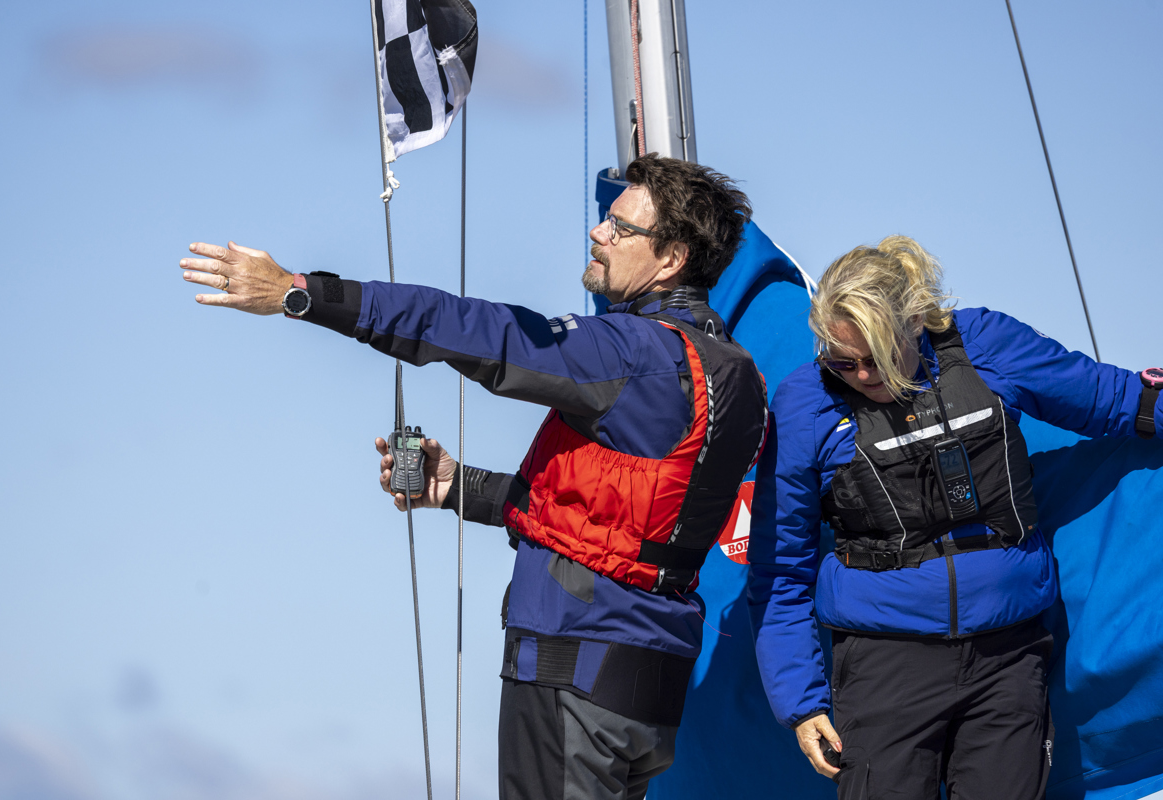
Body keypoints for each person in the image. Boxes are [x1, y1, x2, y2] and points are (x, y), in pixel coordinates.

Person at [179, 154, 769, 800]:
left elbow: (473, 328)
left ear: (672, 258)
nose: (598, 231)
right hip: (647, 689)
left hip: (572, 666)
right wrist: (456, 486)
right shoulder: (738, 376)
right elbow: (624, 524)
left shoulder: (633, 352)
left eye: (620, 227)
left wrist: (300, 293)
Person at [747, 235, 1161, 799]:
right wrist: (801, 704)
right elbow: (780, 570)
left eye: (879, 357)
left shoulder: (987, 344)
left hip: (1008, 656)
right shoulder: (804, 404)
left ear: (915, 322)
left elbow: (1116, 400)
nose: (863, 375)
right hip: (884, 665)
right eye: (844, 362)